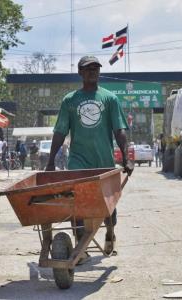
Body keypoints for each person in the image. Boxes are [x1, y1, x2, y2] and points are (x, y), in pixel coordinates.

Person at [46, 55, 133, 260]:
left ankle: (110, 233)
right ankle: (80, 246)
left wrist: (126, 156)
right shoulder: (70, 100)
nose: (92, 71)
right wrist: (50, 161)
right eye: (88, 68)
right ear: (80, 73)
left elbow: (119, 129)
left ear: (99, 72)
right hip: (78, 160)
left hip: (103, 160)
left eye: (95, 68)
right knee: (77, 202)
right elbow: (60, 132)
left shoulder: (109, 98)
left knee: (107, 205)